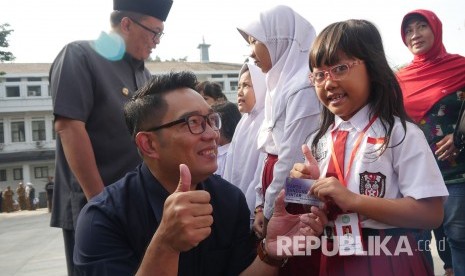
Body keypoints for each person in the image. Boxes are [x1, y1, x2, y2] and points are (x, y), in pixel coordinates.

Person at [73, 71, 328, 275]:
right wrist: (165, 245)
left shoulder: (229, 200)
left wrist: (271, 253)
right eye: (192, 123)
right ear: (148, 144)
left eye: (210, 120)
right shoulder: (103, 218)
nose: (211, 134)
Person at [290, 19, 449, 275]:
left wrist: (354, 200)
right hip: (332, 255)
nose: (328, 82)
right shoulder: (316, 141)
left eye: (340, 68)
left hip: (388, 256)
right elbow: (309, 208)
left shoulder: (400, 134)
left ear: (372, 69)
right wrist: (303, 187)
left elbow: (431, 214)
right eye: (319, 74)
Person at [48, 0, 173, 274]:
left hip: (138, 207)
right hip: (94, 205)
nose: (157, 42)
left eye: (161, 34)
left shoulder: (145, 74)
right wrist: (101, 204)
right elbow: (69, 128)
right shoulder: (80, 55)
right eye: (154, 32)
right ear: (126, 24)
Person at [237, 5, 322, 274]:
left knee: (295, 252)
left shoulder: (303, 86)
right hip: (278, 181)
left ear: (280, 40)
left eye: (255, 41)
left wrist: (271, 209)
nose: (251, 51)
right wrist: (263, 204)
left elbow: (292, 159)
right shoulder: (280, 83)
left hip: (295, 183)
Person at [396, 9, 465, 276]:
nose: (415, 35)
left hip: (455, 174)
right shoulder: (400, 78)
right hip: (416, 178)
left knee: (459, 242)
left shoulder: (460, 67)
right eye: (409, 31)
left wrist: (460, 136)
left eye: (421, 27)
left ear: (435, 30)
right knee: (417, 243)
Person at [223, 62, 266, 229]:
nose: (239, 91)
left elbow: (259, 174)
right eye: (238, 86)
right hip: (234, 208)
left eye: (247, 85)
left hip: (253, 214)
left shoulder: (266, 121)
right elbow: (231, 166)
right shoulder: (244, 122)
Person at [211, 101, 241, 177]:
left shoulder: (232, 154)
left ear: (227, 125)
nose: (211, 128)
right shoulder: (214, 149)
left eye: (215, 123)